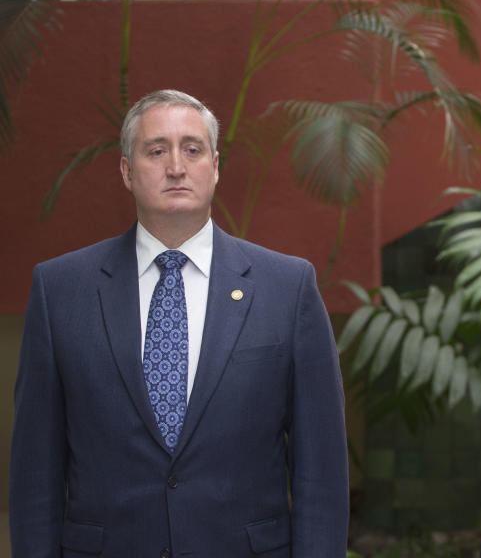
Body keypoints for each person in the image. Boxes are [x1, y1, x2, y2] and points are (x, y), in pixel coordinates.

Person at [9, 89, 349, 556]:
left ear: (215, 166)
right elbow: (35, 478)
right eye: (156, 150)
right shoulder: (59, 290)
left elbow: (321, 473)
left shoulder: (288, 288)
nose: (176, 166)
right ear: (127, 171)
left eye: (192, 149)